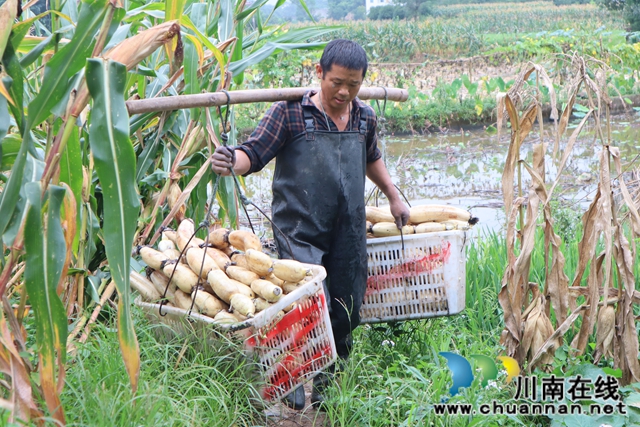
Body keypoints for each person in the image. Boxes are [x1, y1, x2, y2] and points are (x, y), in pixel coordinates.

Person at [211, 39, 409, 410]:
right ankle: (291, 381)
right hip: (298, 228)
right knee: (302, 308)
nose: (344, 92)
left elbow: (372, 157)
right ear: (319, 73)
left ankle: (330, 390)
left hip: (348, 229)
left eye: (353, 84)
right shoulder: (289, 113)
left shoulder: (364, 115)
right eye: (337, 82)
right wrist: (231, 160)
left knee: (345, 307)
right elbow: (252, 154)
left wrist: (394, 195)